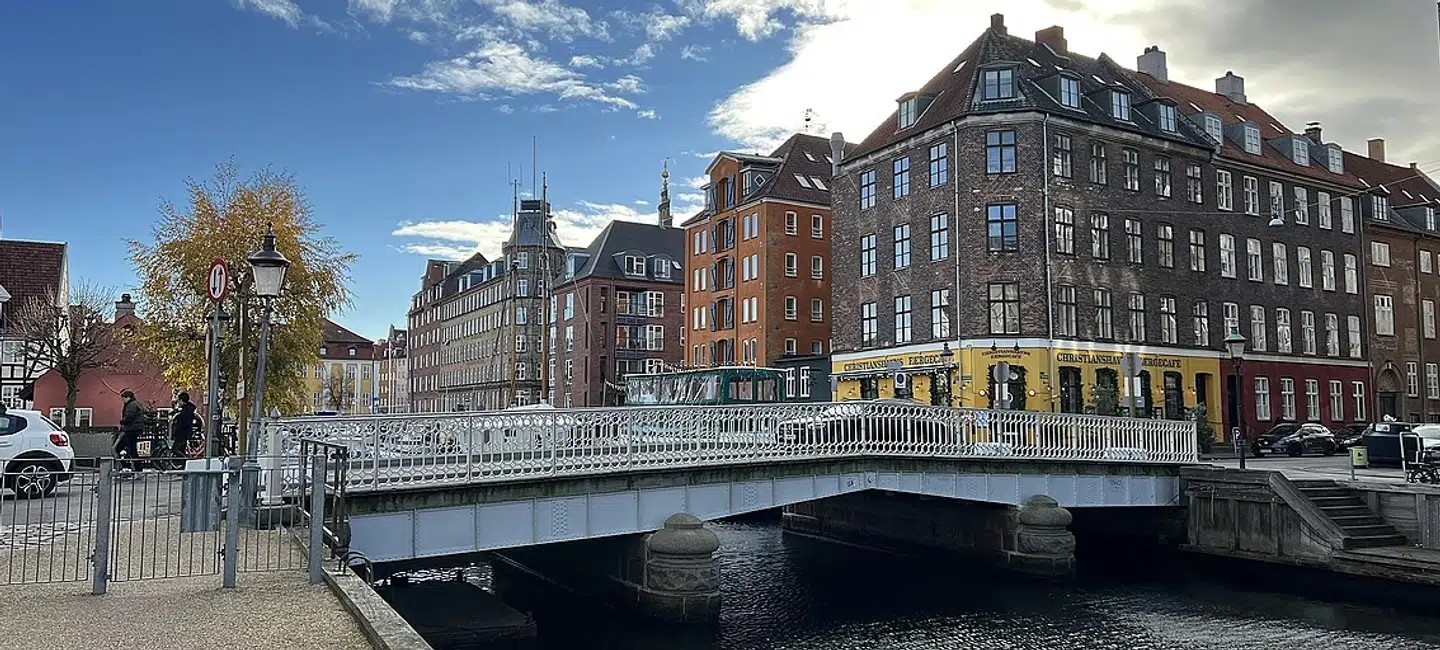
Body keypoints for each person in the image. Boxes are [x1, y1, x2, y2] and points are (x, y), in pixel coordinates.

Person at [116, 389, 144, 472]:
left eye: (123, 398)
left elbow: (129, 417)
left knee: (126, 449)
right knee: (131, 450)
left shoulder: (131, 405)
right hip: (134, 429)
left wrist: (122, 421)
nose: (123, 400)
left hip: (131, 429)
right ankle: (133, 468)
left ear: (127, 397)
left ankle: (131, 468)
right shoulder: (136, 404)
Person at [170, 392, 198, 456]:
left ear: (181, 400)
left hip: (182, 434)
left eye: (179, 401)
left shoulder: (186, 411)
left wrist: (177, 428)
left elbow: (184, 422)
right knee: (180, 449)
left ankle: (184, 459)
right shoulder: (188, 409)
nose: (178, 403)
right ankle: (181, 461)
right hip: (184, 433)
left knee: (176, 449)